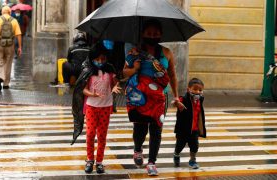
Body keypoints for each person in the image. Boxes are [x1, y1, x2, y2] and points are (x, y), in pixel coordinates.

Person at [123, 20, 185, 176]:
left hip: (159, 99)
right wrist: (135, 68)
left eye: (156, 34)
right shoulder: (135, 52)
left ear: (161, 35)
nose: (152, 36)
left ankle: (152, 162)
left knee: (157, 130)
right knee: (140, 128)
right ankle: (138, 149)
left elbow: (172, 75)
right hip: (140, 98)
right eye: (149, 33)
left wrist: (176, 96)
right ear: (143, 34)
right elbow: (124, 72)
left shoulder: (167, 53)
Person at [73, 42, 121, 174]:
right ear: (92, 58)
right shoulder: (88, 71)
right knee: (90, 134)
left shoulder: (110, 70)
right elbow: (83, 89)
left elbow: (115, 81)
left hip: (106, 107)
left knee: (102, 135)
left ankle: (99, 162)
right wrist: (92, 94)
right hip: (91, 107)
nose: (100, 61)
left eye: (103, 59)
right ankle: (90, 160)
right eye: (97, 59)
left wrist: (115, 86)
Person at [173, 78, 206, 169]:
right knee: (180, 145)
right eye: (195, 89)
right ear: (188, 89)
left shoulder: (200, 100)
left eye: (200, 90)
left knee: (195, 146)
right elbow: (176, 102)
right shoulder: (183, 99)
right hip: (183, 129)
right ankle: (176, 154)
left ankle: (192, 160)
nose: (197, 92)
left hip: (194, 129)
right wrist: (176, 103)